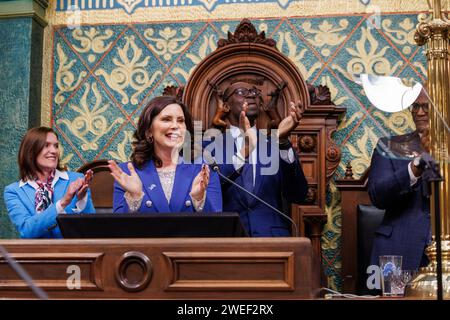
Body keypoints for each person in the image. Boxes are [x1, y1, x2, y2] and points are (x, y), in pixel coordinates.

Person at [206, 80, 308, 236]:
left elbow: (298, 194)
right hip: (227, 242)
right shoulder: (210, 145)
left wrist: (282, 142)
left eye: (254, 93)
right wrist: (244, 151)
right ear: (226, 106)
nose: (251, 96)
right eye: (241, 92)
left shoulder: (274, 143)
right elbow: (206, 190)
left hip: (274, 244)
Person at [109, 96, 222, 213]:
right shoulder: (127, 172)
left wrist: (199, 199)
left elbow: (219, 227)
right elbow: (119, 229)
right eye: (166, 119)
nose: (175, 126)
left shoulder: (203, 169)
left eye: (180, 121)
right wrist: (135, 198)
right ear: (149, 131)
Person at [368, 90, 431, 271]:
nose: (419, 112)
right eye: (415, 106)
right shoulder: (389, 147)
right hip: (399, 252)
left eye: (426, 106)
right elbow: (377, 196)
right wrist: (415, 167)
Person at [4, 127, 95, 238]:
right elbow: (27, 231)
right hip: (33, 253)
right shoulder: (14, 191)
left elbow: (91, 228)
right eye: (46, 145)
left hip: (72, 252)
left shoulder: (77, 180)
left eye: (56, 146)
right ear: (31, 151)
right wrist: (63, 203)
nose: (53, 151)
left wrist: (81, 199)